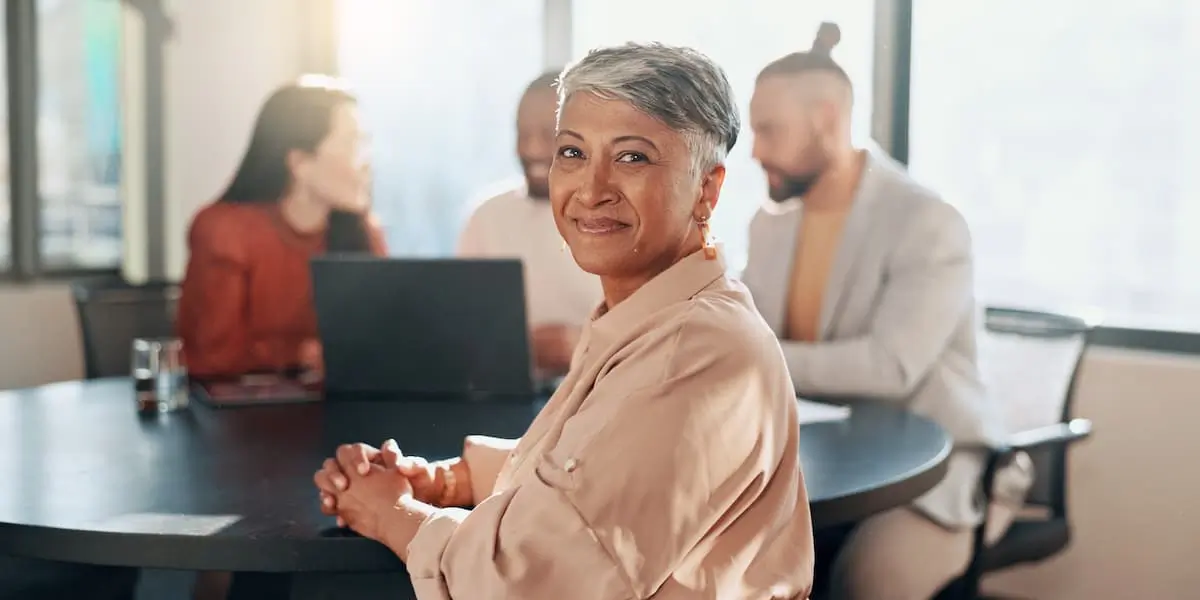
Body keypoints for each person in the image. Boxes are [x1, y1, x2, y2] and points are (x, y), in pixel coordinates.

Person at [314, 43, 815, 599]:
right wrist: (448, 479)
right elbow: (588, 465)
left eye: (632, 158)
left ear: (708, 189)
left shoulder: (696, 349)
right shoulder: (650, 317)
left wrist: (392, 516)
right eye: (573, 153)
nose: (591, 189)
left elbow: (533, 579)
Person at [741, 28, 1032, 599]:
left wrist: (757, 355)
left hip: (934, 469)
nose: (753, 151)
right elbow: (743, 330)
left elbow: (890, 367)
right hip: (819, 457)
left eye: (768, 130)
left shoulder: (927, 222)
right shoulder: (770, 222)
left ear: (827, 118)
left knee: (865, 582)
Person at [176, 75, 388, 380]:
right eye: (353, 144)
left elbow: (388, 342)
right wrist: (304, 354)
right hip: (241, 422)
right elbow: (213, 357)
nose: (367, 162)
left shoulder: (364, 231)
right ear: (300, 162)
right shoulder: (224, 231)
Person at [457, 70, 602, 375]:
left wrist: (580, 346)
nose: (532, 149)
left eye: (548, 135)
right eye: (522, 135)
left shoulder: (615, 219)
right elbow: (462, 332)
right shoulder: (487, 217)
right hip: (508, 396)